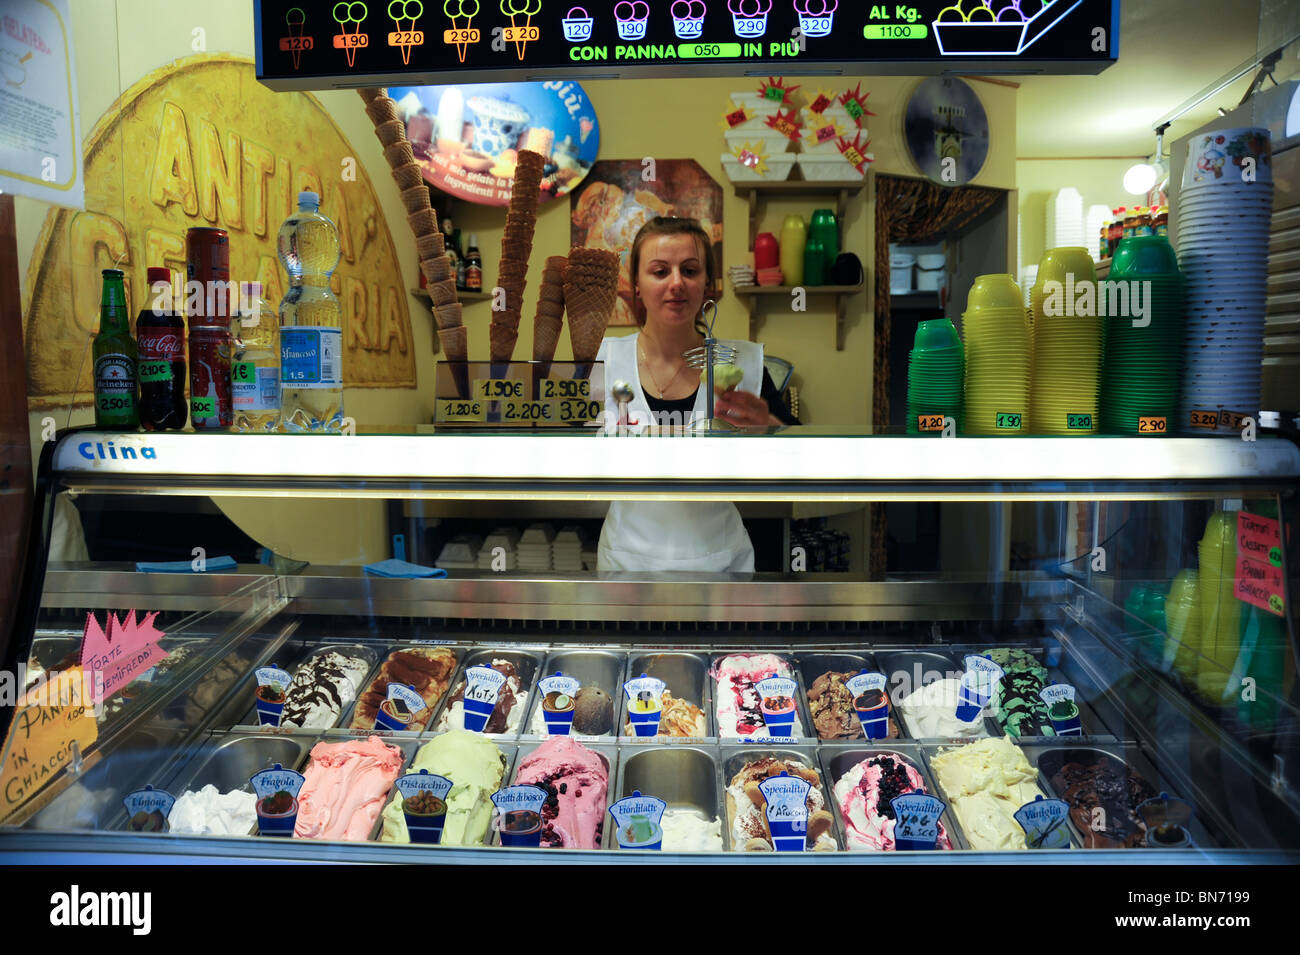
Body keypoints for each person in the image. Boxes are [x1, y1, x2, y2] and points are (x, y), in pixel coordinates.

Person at [595, 217, 798, 573]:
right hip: (625, 565)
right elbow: (566, 448)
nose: (677, 283)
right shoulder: (603, 362)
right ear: (637, 286)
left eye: (689, 270)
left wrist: (770, 427)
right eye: (660, 271)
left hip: (722, 564)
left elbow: (803, 457)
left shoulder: (745, 363)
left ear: (708, 284)